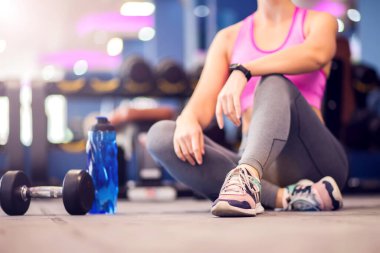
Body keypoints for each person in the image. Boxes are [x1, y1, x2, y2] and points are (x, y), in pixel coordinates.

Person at [147, 0, 349, 217]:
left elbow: (317, 54)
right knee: (162, 135)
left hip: (312, 160)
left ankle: (248, 177)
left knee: (273, 80)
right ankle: (283, 196)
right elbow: (201, 107)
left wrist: (245, 69)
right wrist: (187, 119)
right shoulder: (227, 38)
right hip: (256, 163)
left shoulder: (319, 21)